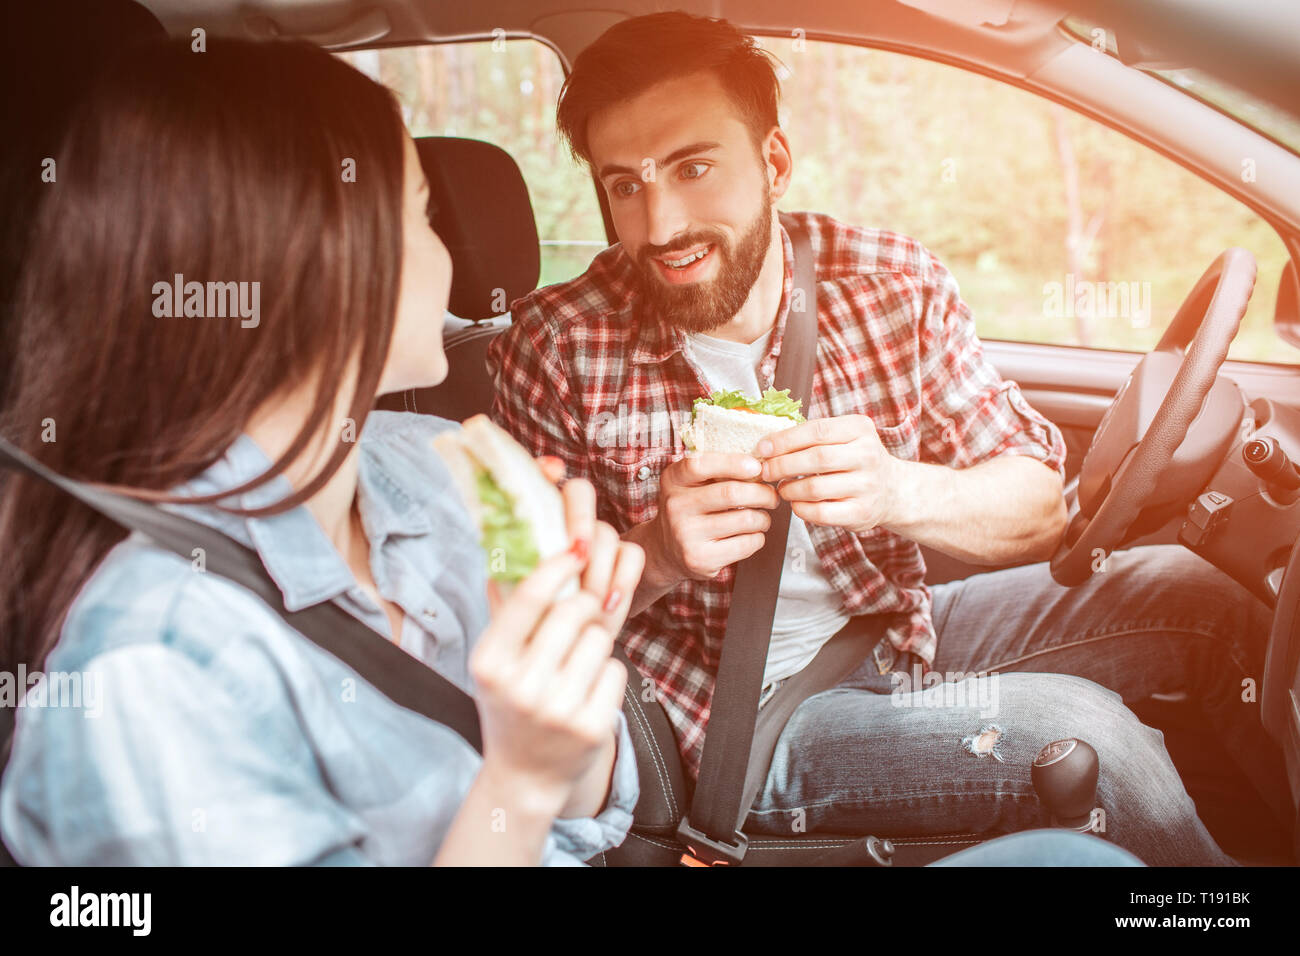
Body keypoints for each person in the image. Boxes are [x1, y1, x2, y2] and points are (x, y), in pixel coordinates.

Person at [486, 11, 1293, 865]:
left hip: (895, 631)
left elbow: (1036, 505)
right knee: (1095, 742)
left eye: (694, 168)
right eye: (625, 186)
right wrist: (655, 554)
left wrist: (900, 490)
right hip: (736, 722)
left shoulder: (889, 283)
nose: (659, 225)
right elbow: (525, 621)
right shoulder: (553, 346)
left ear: (775, 162)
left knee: (1201, 600)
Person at [0, 39, 644, 866]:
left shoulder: (438, 466)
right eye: (420, 214)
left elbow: (588, 818)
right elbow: (533, 801)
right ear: (319, 261)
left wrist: (570, 682)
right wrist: (516, 780)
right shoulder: (150, 670)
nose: (451, 252)